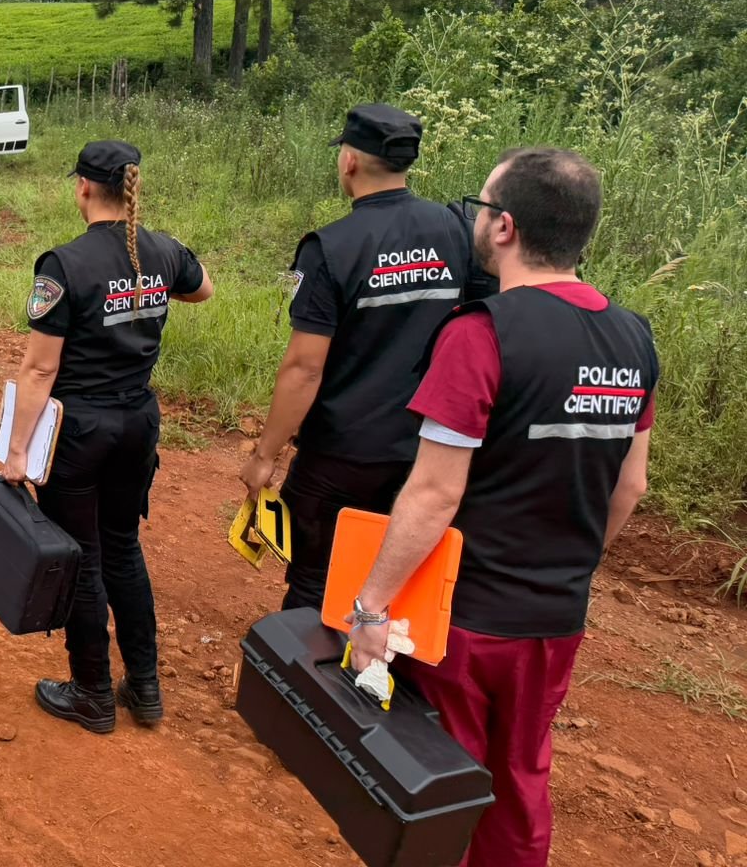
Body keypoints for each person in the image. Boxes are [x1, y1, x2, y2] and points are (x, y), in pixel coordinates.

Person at [347, 147, 657, 867]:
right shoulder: (634, 337)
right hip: (555, 617)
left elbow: (434, 493)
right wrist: (565, 568)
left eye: (481, 208)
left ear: (506, 226)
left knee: (439, 783)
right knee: (520, 780)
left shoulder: (480, 333)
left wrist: (370, 609)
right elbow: (630, 486)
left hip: (465, 619)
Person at [240, 104, 488, 611]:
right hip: (428, 450)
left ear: (349, 161)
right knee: (399, 586)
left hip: (342, 454)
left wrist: (265, 455)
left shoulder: (330, 247)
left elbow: (305, 368)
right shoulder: (456, 230)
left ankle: (308, 664)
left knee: (315, 581)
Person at [1, 140, 212, 735]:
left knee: (83, 556)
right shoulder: (162, 250)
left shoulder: (63, 265)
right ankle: (143, 686)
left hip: (79, 432)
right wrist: (151, 286)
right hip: (137, 422)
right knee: (123, 549)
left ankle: (92, 693)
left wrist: (17, 452)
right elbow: (203, 289)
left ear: (84, 188)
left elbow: (39, 370)